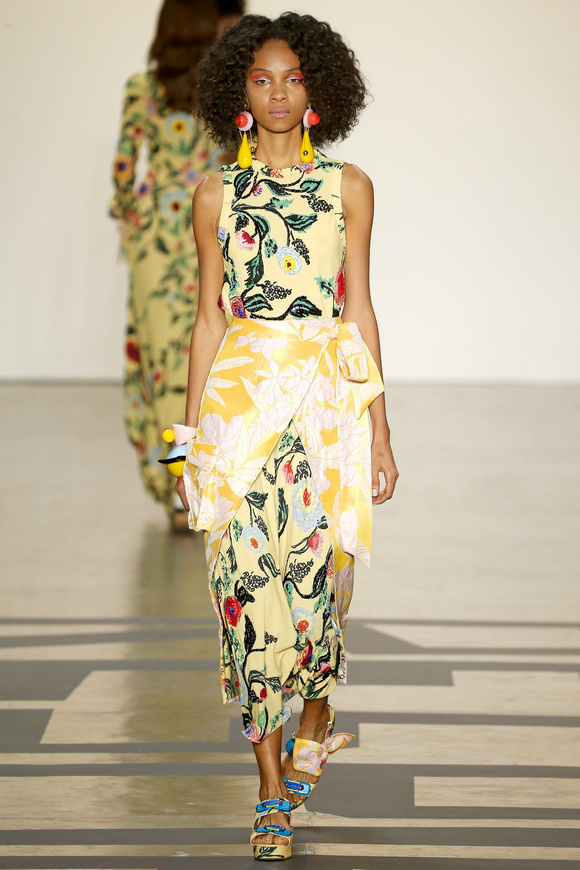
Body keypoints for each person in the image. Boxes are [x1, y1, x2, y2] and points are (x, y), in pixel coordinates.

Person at [174, 13, 398, 860]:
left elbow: (360, 310)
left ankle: (317, 715)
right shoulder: (215, 194)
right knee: (242, 594)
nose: (277, 93)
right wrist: (185, 449)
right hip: (238, 412)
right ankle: (270, 790)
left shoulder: (350, 187)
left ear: (318, 91)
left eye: (293, 78)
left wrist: (381, 432)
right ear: (239, 90)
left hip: (326, 413)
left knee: (317, 590)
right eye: (261, 79)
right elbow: (206, 321)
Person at [109, 0, 244, 530]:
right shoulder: (225, 90)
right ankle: (207, 482)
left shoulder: (143, 90)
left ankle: (176, 492)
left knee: (164, 371)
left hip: (157, 238)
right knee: (209, 361)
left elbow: (124, 170)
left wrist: (133, 217)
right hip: (212, 230)